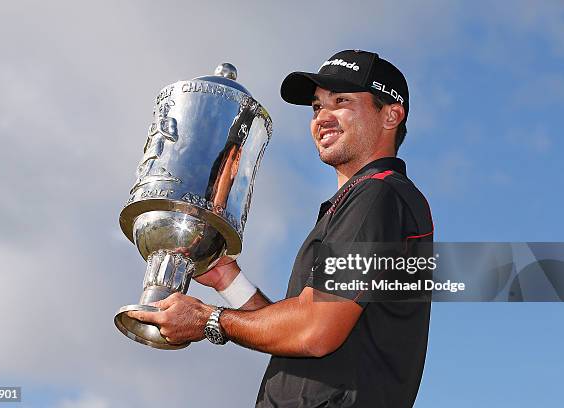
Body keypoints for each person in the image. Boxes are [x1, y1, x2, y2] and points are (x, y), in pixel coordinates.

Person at [128, 49, 434, 408]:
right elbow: (299, 332)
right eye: (318, 106)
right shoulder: (363, 201)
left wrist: (207, 319)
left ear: (391, 115)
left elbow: (316, 329)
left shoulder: (379, 195)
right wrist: (229, 280)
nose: (323, 117)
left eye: (341, 101)